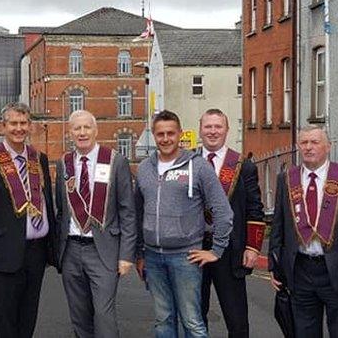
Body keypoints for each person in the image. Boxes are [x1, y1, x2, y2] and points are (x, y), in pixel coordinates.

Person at [134, 110, 234, 338]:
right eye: (160, 134)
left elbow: (223, 211)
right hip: (152, 257)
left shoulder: (198, 167)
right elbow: (137, 214)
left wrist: (216, 250)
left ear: (180, 133)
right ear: (154, 135)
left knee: (192, 322)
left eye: (171, 133)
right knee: (163, 320)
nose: (166, 138)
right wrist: (139, 253)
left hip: (185, 257)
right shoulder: (143, 169)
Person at [269, 126, 338, 338]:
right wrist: (274, 265)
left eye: (314, 142)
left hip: (337, 268)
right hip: (300, 269)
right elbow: (278, 224)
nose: (308, 147)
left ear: (328, 146)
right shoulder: (286, 179)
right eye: (304, 143)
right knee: (304, 332)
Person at [0, 102, 58, 337]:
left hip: (36, 252)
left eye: (23, 123)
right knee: (5, 320)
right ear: (3, 126)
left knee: (28, 318)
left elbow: (47, 202)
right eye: (13, 123)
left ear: (30, 126)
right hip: (1, 255)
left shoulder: (39, 159)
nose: (19, 128)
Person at [54, 110, 137, 338]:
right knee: (78, 315)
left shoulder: (115, 161)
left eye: (86, 127)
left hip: (104, 250)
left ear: (96, 130)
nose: (82, 133)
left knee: (103, 313)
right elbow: (61, 210)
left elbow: (127, 211)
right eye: (77, 128)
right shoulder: (64, 163)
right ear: (70, 133)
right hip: (71, 249)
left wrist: (126, 255)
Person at [196, 109, 265, 337]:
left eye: (218, 127)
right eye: (208, 127)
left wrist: (253, 247)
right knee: (195, 316)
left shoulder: (243, 165)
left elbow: (255, 209)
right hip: (194, 248)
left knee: (236, 320)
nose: (213, 132)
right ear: (200, 129)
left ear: (226, 130)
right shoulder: (187, 162)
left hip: (230, 249)